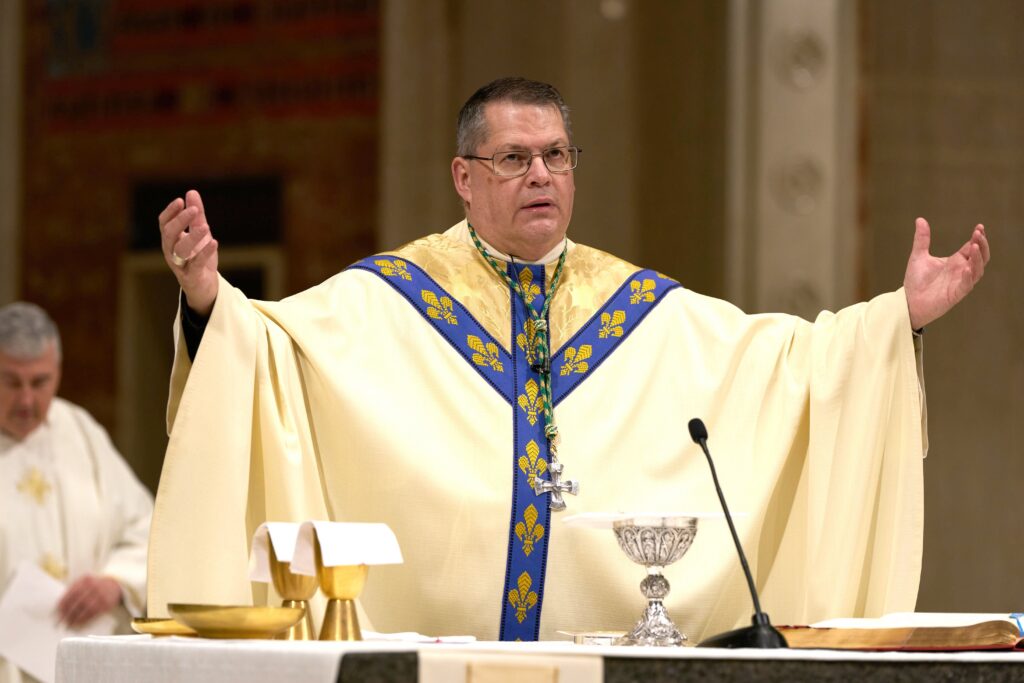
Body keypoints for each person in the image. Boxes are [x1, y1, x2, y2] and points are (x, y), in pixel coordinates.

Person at [149, 77, 989, 643]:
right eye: (514, 159)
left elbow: (791, 365)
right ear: (463, 177)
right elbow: (265, 352)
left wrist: (897, 318)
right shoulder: (386, 299)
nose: (541, 174)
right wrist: (207, 298)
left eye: (556, 155)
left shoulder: (638, 305)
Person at [0, 303, 153, 682]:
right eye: (11, 381)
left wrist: (116, 583)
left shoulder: (81, 432)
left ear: (58, 372)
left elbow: (147, 529)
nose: (26, 401)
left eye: (39, 382)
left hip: (81, 665)